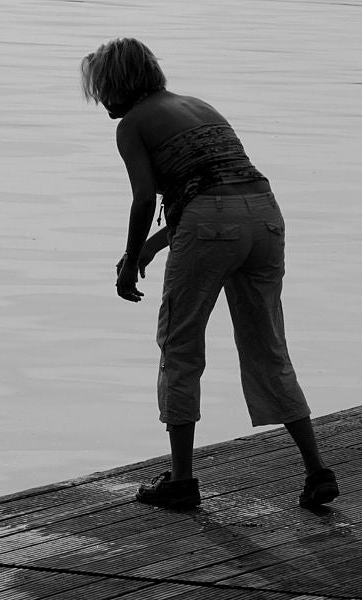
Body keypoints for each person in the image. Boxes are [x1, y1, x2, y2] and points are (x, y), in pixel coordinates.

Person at [81, 38, 339, 510]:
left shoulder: (134, 124)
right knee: (268, 345)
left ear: (118, 84)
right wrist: (153, 249)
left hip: (209, 222)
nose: (100, 102)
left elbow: (146, 200)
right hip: (264, 214)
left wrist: (129, 257)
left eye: (101, 89)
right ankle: (317, 470)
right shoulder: (198, 105)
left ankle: (181, 481)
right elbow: (216, 186)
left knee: (180, 344)